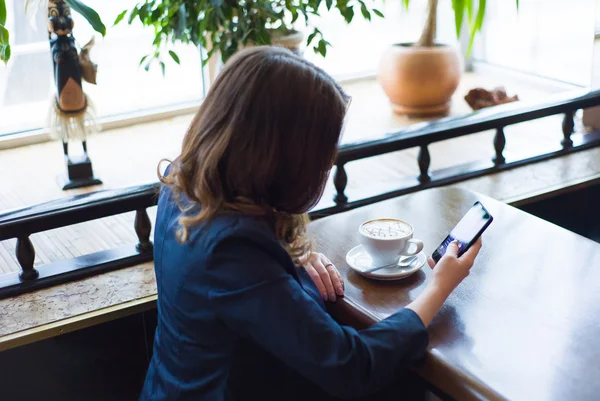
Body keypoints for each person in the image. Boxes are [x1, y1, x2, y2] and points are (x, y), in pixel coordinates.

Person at [139, 46, 482, 401]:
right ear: (283, 157)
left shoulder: (185, 181)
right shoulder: (233, 249)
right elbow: (352, 366)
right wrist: (439, 287)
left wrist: (289, 258)